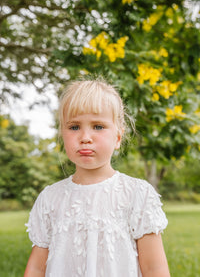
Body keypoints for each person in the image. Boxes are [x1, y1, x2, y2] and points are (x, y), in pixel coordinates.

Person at [24, 78, 170, 277]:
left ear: (118, 137)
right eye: (74, 127)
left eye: (98, 126)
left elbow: (155, 269)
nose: (85, 137)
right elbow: (36, 268)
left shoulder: (137, 195)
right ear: (62, 134)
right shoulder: (50, 198)